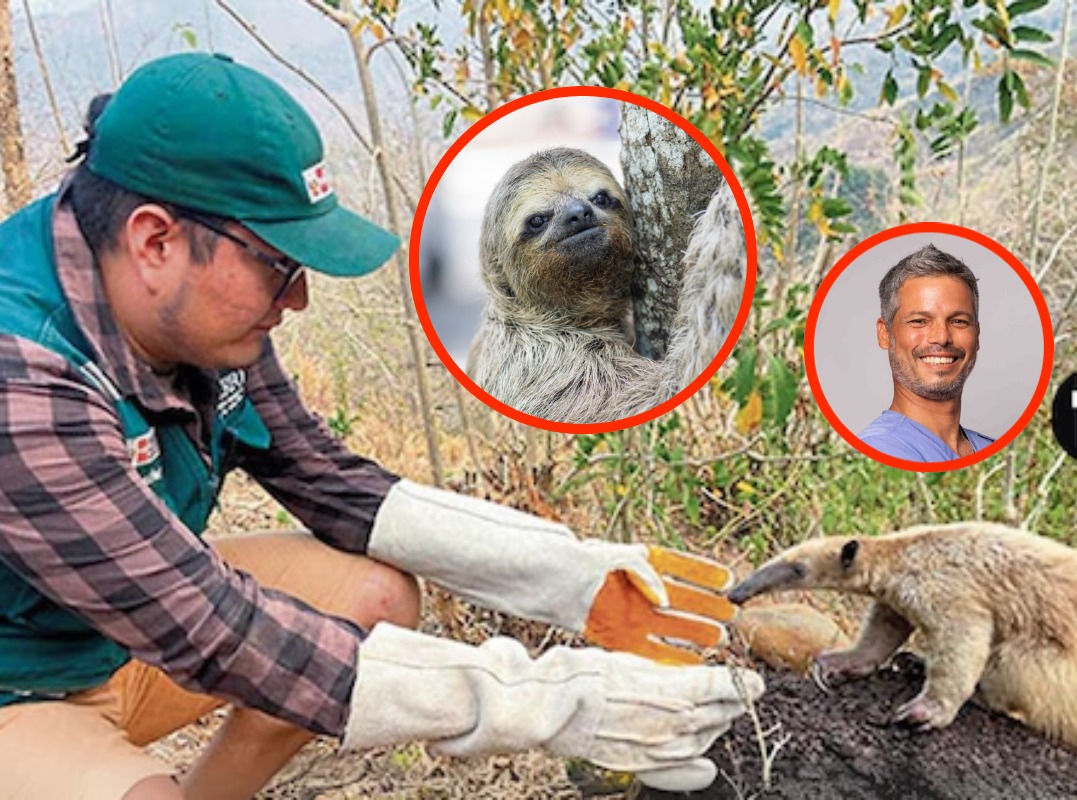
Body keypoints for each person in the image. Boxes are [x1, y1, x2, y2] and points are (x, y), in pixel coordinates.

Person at [0, 53, 762, 800]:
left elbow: (327, 481)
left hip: (101, 645)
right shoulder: (21, 375)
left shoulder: (194, 321)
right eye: (278, 263)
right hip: (18, 688)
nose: (294, 299)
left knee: (371, 594)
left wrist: (570, 575)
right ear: (155, 240)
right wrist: (548, 703)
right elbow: (203, 623)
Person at [858, 244, 994, 462]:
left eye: (959, 321)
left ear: (977, 334)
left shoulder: (989, 447)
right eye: (919, 321)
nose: (941, 337)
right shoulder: (882, 449)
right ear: (885, 334)